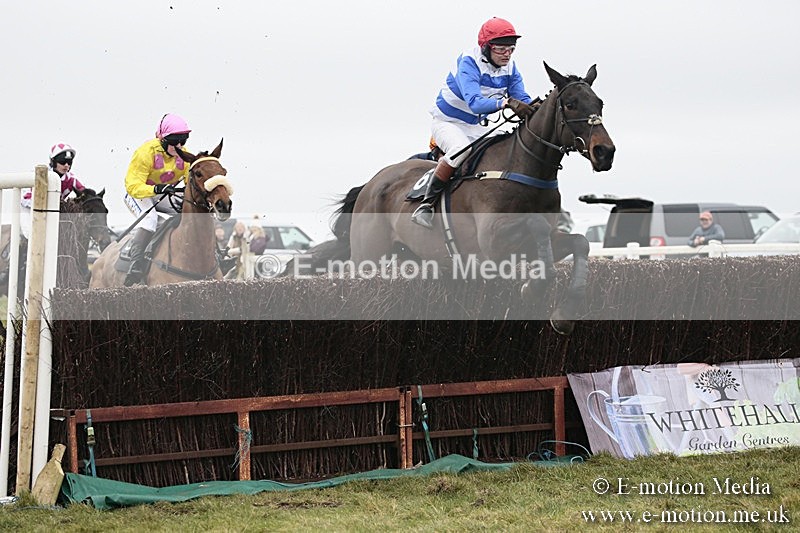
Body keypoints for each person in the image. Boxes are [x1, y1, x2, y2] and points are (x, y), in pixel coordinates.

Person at [412, 17, 538, 228]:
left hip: (476, 126)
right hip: (448, 121)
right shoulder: (469, 62)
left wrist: (537, 108)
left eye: (511, 49)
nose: (507, 54)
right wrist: (506, 102)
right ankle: (425, 205)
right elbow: (475, 103)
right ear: (487, 47)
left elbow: (521, 98)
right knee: (461, 150)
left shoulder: (511, 67)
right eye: (501, 49)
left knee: (496, 157)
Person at [122, 113, 192, 285]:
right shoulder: (145, 152)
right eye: (176, 142)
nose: (180, 146)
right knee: (150, 219)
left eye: (184, 141)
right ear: (164, 139)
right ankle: (136, 263)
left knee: (189, 212)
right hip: (138, 194)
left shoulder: (184, 155)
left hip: (163, 193)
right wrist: (156, 188)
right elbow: (132, 185)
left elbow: (189, 182)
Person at [20, 143, 87, 239]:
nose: (66, 166)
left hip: (52, 212)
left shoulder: (71, 179)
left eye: (69, 162)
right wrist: (48, 205)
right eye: (63, 162)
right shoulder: (41, 176)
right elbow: (26, 198)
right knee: (32, 236)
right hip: (30, 210)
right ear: (53, 161)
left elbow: (85, 193)